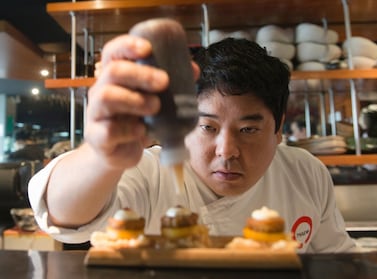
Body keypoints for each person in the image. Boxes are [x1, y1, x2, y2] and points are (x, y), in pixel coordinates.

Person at [28, 36, 355, 253]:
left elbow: (336, 261)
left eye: (248, 129)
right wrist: (103, 154)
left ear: (279, 129)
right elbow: (64, 217)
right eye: (207, 126)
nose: (226, 150)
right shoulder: (148, 171)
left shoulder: (304, 173)